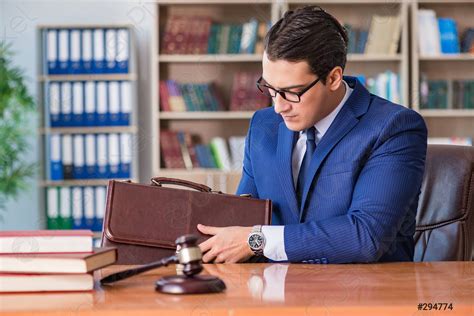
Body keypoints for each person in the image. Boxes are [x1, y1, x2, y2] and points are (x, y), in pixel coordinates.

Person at [197, 5, 427, 264]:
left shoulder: (394, 127)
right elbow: (244, 220)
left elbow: (366, 236)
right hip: (272, 295)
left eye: (292, 92)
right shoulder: (264, 125)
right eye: (270, 88)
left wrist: (257, 240)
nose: (278, 106)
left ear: (333, 78)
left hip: (363, 296)